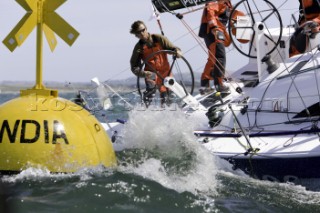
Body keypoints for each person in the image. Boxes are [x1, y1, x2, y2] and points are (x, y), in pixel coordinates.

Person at [129, 20, 182, 106]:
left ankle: (168, 113)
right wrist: (143, 74)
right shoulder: (138, 48)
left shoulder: (159, 38)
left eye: (143, 30)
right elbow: (134, 66)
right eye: (139, 32)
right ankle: (144, 113)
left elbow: (172, 48)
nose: (142, 33)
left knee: (167, 97)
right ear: (136, 35)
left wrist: (177, 51)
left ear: (146, 28)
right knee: (150, 91)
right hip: (151, 74)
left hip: (166, 73)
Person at [198, 0, 233, 94]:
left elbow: (224, 21)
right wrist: (214, 27)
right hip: (213, 31)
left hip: (212, 31)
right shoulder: (220, 1)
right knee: (220, 57)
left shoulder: (227, 4)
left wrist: (227, 37)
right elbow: (210, 10)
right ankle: (219, 84)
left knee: (212, 59)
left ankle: (204, 86)